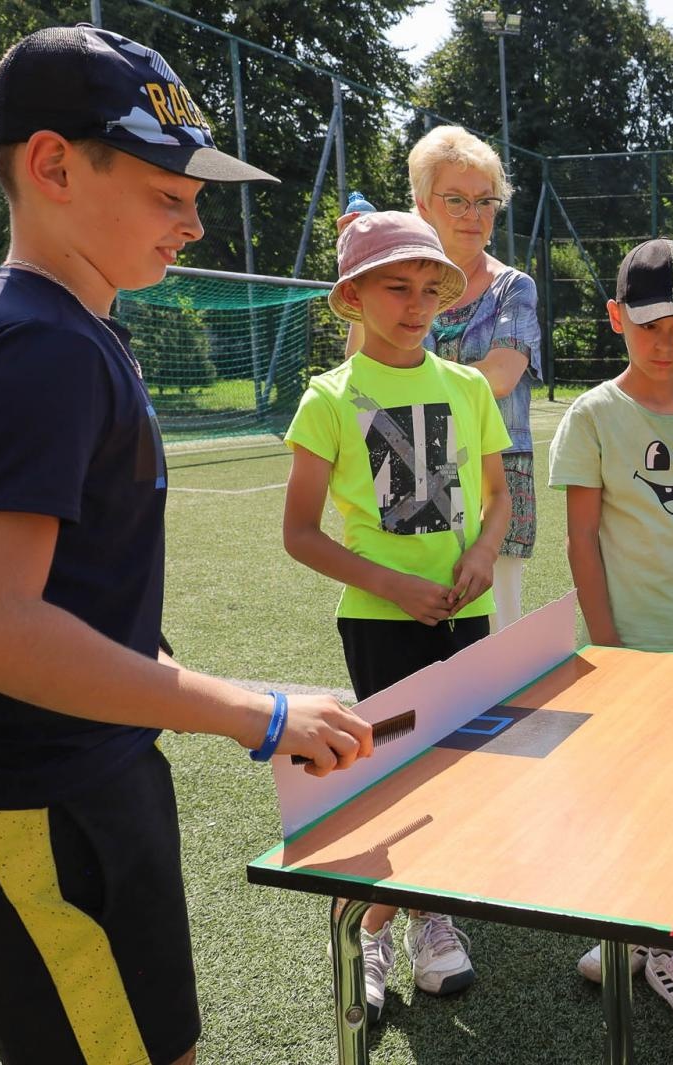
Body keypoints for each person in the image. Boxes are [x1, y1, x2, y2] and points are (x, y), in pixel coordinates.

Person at [0, 26, 372, 1065]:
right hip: (20, 798)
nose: (196, 224)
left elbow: (72, 600)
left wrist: (226, 700)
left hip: (87, 765)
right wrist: (252, 714)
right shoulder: (37, 344)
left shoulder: (71, 331)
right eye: (171, 194)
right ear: (53, 166)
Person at [282, 211, 511, 1022]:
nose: (415, 304)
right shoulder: (327, 399)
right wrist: (395, 586)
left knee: (457, 770)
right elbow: (300, 534)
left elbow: (498, 498)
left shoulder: (469, 385)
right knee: (390, 772)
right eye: (395, 286)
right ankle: (368, 927)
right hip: (380, 623)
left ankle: (428, 910)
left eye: (428, 288)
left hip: (465, 612)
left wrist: (483, 556)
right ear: (353, 296)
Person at [548, 238, 673, 1027]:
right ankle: (664, 942)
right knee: (638, 798)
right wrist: (608, 645)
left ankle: (632, 939)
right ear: (616, 318)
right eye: (651, 325)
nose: (667, 344)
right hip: (630, 646)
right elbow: (581, 540)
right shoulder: (594, 415)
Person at [342, 126, 542, 632]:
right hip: (403, 467)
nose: (473, 215)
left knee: (494, 649)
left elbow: (499, 376)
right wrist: (364, 276)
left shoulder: (512, 289)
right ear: (421, 204)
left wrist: (409, 381)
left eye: (484, 201)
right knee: (409, 647)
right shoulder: (389, 286)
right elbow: (362, 375)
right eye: (456, 200)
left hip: (492, 489)